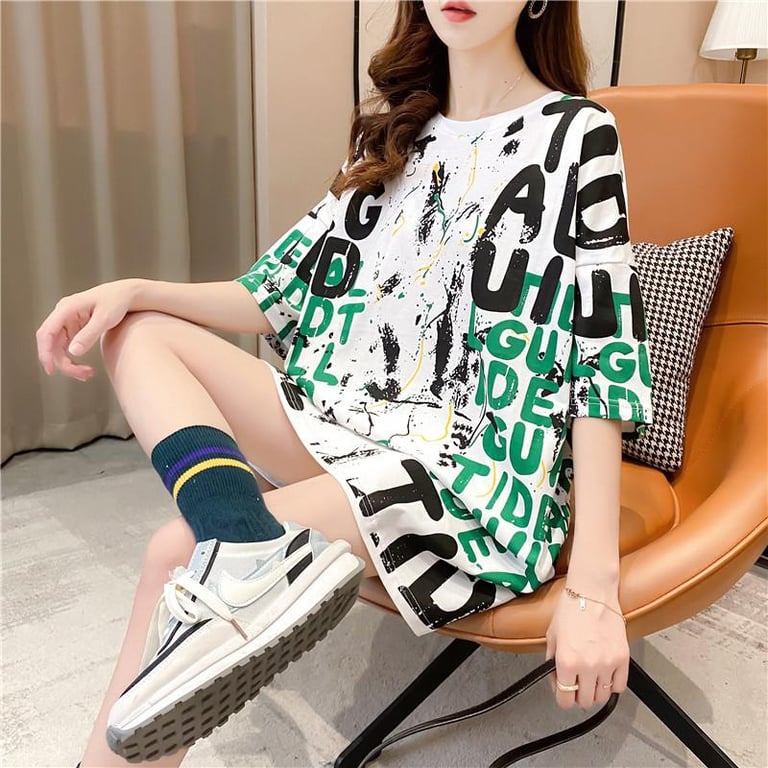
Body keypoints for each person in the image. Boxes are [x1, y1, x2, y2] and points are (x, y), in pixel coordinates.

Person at [36, 0, 653, 765]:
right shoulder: (395, 134)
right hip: (346, 423)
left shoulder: (577, 134)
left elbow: (601, 356)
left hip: (472, 468)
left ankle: (233, 558)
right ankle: (245, 543)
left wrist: (595, 588)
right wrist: (133, 289)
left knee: (174, 552)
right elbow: (276, 290)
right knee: (138, 329)